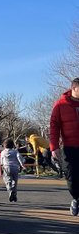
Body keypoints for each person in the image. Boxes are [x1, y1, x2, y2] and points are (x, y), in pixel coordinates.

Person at [49, 77, 79, 216]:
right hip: (69, 147)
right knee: (72, 176)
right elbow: (54, 126)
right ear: (74, 88)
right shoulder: (60, 104)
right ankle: (75, 198)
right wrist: (54, 147)